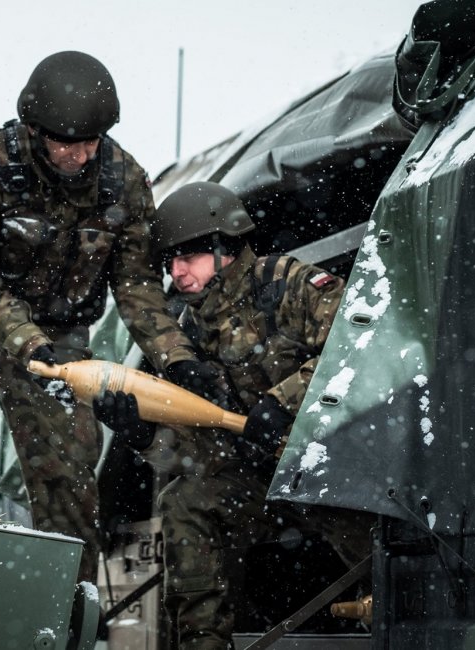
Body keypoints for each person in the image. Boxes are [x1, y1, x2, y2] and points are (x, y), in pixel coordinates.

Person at [0, 51, 219, 583]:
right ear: (34, 129)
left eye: (91, 142)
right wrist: (23, 339)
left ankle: (68, 614)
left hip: (59, 347)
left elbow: (135, 288)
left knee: (69, 485)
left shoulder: (125, 182)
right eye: (66, 141)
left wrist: (177, 359)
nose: (79, 154)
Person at [92, 181, 374, 649]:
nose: (177, 272)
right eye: (169, 262)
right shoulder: (188, 336)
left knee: (393, 575)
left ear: (226, 246)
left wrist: (282, 402)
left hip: (335, 470)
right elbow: (195, 450)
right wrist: (142, 435)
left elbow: (359, 343)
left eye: (189, 256)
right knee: (183, 501)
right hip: (262, 482)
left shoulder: (287, 284)